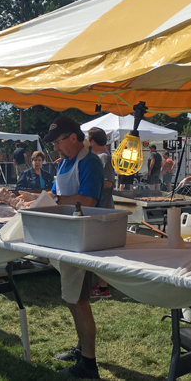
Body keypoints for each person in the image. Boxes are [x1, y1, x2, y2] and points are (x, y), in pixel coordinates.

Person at [21, 116, 104, 379]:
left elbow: (88, 199)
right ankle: (82, 347)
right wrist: (32, 198)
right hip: (66, 236)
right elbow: (56, 195)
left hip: (81, 238)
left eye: (58, 142)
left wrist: (52, 200)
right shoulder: (66, 162)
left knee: (77, 300)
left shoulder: (89, 161)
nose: (55, 147)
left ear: (72, 137)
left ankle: (88, 366)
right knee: (72, 298)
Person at [87, 127, 115, 300]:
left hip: (103, 210)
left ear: (92, 142)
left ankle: (103, 288)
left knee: (101, 252)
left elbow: (108, 183)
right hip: (99, 210)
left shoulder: (104, 157)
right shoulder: (98, 157)